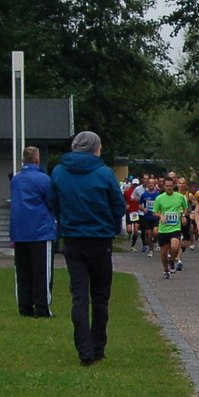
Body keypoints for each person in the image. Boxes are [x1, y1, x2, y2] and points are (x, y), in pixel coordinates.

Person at [49, 131, 127, 366]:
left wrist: (65, 223)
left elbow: (54, 202)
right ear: (96, 149)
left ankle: (84, 350)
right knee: (100, 297)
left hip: (73, 239)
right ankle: (98, 346)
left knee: (79, 297)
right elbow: (118, 205)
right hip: (100, 240)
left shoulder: (59, 172)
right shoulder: (104, 173)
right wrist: (112, 227)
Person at [10, 146, 57, 317]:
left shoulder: (16, 179)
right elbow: (52, 202)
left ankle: (25, 307)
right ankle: (42, 307)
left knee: (23, 271)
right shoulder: (43, 179)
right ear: (37, 160)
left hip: (19, 231)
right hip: (40, 230)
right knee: (42, 272)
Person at [152, 176, 190, 280]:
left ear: (174, 186)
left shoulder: (180, 197)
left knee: (175, 247)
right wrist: (160, 215)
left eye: (171, 186)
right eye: (167, 186)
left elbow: (186, 209)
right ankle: (165, 270)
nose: (169, 188)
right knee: (164, 252)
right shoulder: (160, 198)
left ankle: (172, 260)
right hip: (164, 228)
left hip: (175, 227)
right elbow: (154, 212)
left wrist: (183, 216)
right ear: (164, 186)